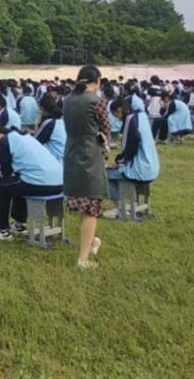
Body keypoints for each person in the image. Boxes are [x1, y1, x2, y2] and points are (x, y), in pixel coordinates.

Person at [62, 65, 110, 270]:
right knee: (91, 207)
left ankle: (92, 241)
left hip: (71, 153)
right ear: (97, 81)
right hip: (90, 155)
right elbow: (105, 128)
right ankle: (83, 259)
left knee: (83, 204)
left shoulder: (67, 100)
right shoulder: (96, 101)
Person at [0, 125, 64, 240]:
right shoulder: (27, 138)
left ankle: (2, 230)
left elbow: (6, 171)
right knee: (16, 183)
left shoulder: (5, 140)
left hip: (40, 182)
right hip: (59, 183)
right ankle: (19, 224)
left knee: (0, 185)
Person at [105, 98, 161, 218]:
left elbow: (130, 147)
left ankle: (120, 209)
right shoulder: (142, 115)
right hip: (152, 167)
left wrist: (118, 162)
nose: (117, 118)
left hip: (139, 169)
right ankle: (142, 207)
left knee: (105, 174)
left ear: (119, 110)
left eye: (115, 115)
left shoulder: (130, 119)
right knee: (115, 170)